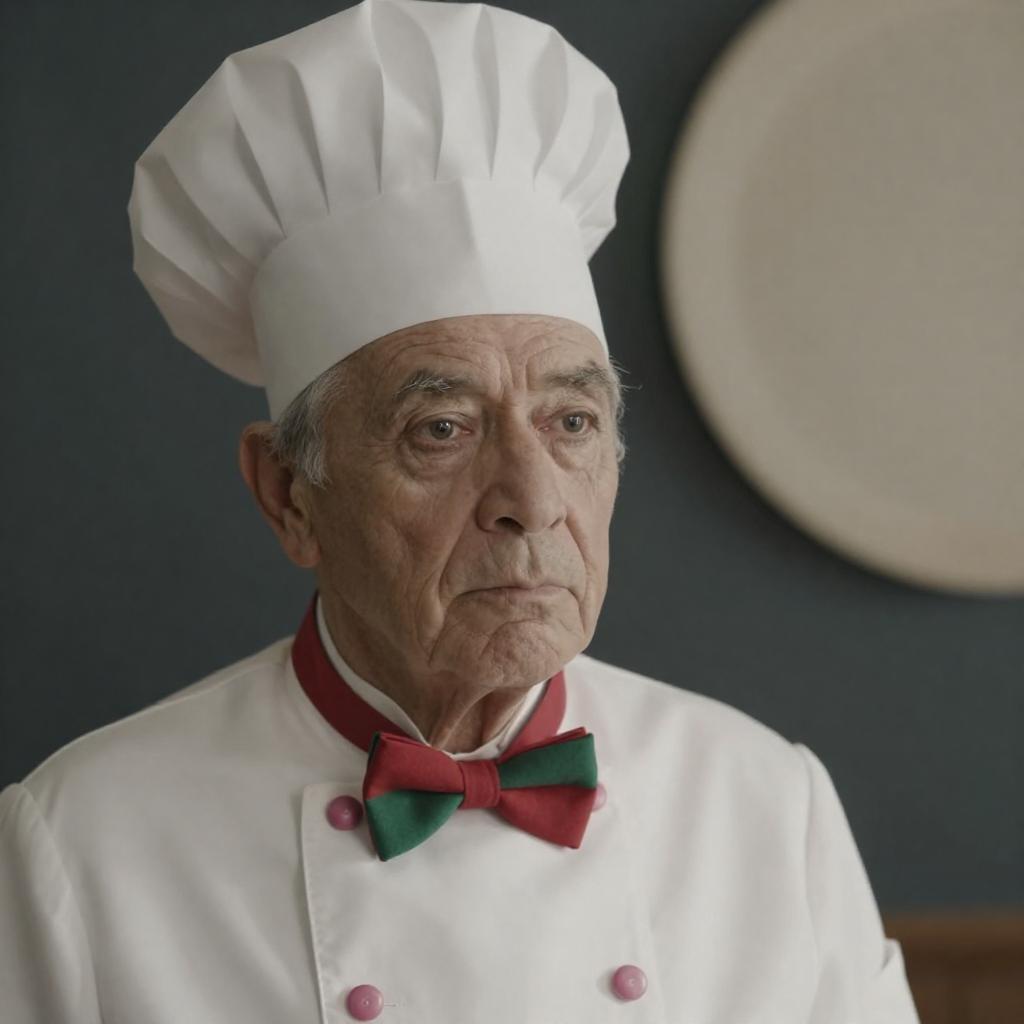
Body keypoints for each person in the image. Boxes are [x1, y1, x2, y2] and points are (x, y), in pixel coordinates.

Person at [0, 1, 921, 1021]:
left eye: (571, 422)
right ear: (289, 494)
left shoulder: (768, 807)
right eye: (441, 429)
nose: (532, 501)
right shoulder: (81, 846)